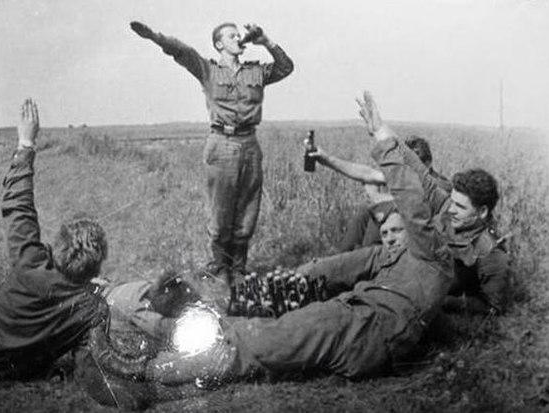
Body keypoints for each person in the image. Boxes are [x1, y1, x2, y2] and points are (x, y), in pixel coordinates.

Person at [76, 91, 455, 409]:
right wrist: (277, 287)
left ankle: (140, 370)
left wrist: (383, 138)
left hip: (362, 332)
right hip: (352, 319)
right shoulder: (405, 248)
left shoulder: (434, 253)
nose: (392, 231)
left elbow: (413, 199)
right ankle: (157, 370)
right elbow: (334, 268)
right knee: (265, 324)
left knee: (255, 341)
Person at [0, 99, 110, 381]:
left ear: (57, 248)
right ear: (96, 266)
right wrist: (91, 291)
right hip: (0, 371)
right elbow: (88, 357)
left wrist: (26, 143)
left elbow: (18, 205)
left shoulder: (31, 262)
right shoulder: (93, 310)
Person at [299, 99, 509, 316]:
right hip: (393, 257)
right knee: (319, 272)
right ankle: (295, 284)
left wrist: (443, 302)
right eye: (453, 202)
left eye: (460, 207)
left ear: (482, 212)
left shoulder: (490, 253)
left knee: (347, 308)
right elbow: (413, 164)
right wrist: (379, 130)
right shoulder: (446, 205)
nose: (451, 209)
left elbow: (491, 306)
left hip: (411, 284)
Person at [129, 20, 294, 283]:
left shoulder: (256, 71)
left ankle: (238, 268)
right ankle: (220, 267)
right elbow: (182, 51)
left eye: (239, 35)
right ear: (219, 44)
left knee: (248, 210)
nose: (238, 38)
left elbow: (286, 67)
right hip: (221, 144)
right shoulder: (208, 70)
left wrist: (266, 41)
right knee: (220, 212)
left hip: (250, 144)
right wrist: (154, 36)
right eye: (231, 36)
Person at [337, 135, 452, 252]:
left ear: (427, 164)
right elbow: (368, 174)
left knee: (384, 211)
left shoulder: (440, 185)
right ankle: (342, 257)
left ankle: (368, 253)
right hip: (406, 224)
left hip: (421, 235)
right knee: (364, 213)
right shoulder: (409, 176)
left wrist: (378, 197)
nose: (406, 171)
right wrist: (328, 159)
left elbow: (411, 200)